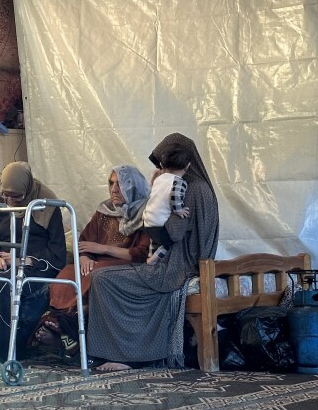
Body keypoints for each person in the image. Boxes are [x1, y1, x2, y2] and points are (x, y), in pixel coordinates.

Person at [86, 133, 219, 372]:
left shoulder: (187, 187)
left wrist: (152, 218)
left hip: (175, 268)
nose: (161, 170)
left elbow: (173, 234)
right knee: (106, 275)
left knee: (102, 278)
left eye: (163, 164)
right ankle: (129, 353)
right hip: (188, 263)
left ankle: (128, 356)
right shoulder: (201, 186)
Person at [29, 165, 151, 354]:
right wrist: (85, 256)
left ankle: (67, 325)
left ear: (134, 186)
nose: (114, 190)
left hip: (125, 264)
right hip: (96, 262)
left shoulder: (146, 213)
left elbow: (141, 253)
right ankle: (65, 329)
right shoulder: (104, 210)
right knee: (67, 272)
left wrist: (102, 248)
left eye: (121, 184)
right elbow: (85, 241)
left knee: (97, 273)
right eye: (111, 183)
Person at [0, 161, 67, 362]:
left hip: (33, 265)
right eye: (6, 195)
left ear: (26, 189)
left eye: (16, 196)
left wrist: (23, 260)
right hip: (3, 261)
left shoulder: (47, 204)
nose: (10, 201)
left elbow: (57, 252)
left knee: (2, 282)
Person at [143, 146, 190, 265]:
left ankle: (150, 255)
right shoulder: (179, 182)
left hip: (148, 219)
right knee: (168, 243)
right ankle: (153, 260)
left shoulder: (159, 178)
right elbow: (175, 196)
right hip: (160, 222)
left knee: (154, 241)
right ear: (187, 166)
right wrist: (179, 210)